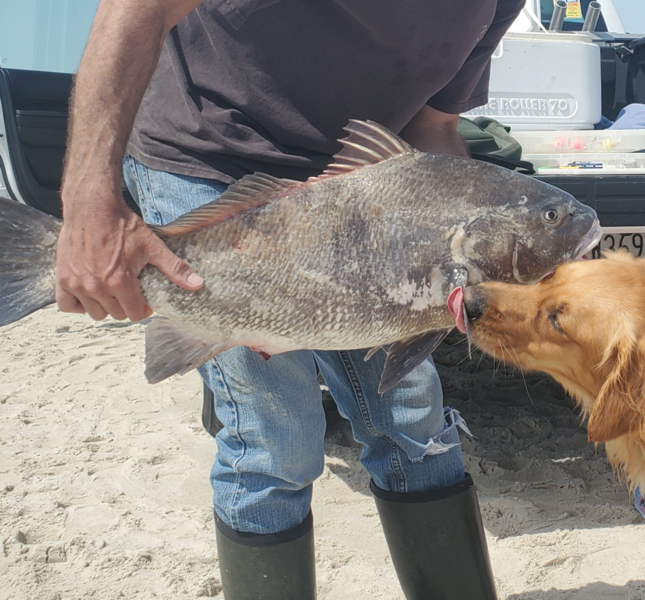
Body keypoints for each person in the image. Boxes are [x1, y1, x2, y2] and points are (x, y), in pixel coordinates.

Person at [57, 1, 525, 598]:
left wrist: (460, 236)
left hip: (356, 184)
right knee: (276, 434)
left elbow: (434, 127)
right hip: (211, 156)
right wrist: (89, 202)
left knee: (411, 416)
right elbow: (132, 11)